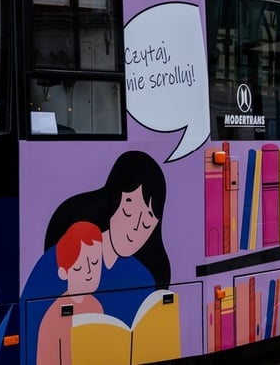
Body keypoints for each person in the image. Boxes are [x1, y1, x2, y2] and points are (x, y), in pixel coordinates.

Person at [20, 150, 170, 361]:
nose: (135, 229)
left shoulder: (144, 277)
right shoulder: (63, 257)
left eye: (146, 223)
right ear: (112, 200)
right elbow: (28, 329)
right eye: (128, 212)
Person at [35, 221, 105, 365]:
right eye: (79, 267)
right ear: (63, 273)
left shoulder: (96, 305)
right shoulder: (52, 318)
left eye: (95, 263)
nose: (89, 273)